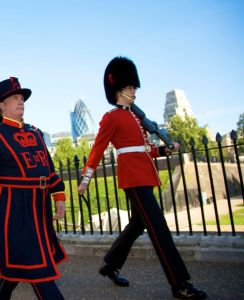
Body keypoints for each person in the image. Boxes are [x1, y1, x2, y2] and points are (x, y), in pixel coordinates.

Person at [78, 56, 207, 299]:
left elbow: (145, 150)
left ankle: (110, 264)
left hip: (145, 175)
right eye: (129, 86)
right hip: (133, 179)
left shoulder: (137, 118)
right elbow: (97, 150)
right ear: (119, 89)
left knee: (138, 224)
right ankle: (180, 284)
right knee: (159, 229)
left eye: (133, 86)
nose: (133, 89)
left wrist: (164, 150)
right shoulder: (111, 117)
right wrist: (86, 178)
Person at [0, 77, 68, 300]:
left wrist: (58, 196)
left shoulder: (37, 133)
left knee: (17, 268)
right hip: (15, 207)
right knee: (38, 268)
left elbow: (49, 169)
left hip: (40, 207)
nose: (21, 101)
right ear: (2, 105)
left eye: (22, 98)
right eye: (15, 98)